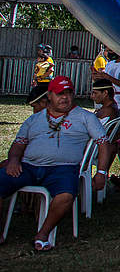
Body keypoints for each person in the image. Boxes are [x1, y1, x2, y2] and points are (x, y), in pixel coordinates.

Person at [1, 76, 110, 251]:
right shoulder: (34, 119)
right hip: (29, 167)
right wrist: (13, 160)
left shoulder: (85, 117)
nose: (65, 97)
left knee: (66, 195)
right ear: (50, 95)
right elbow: (18, 144)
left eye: (68, 93)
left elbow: (104, 144)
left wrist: (102, 172)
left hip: (63, 168)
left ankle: (43, 234)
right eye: (60, 93)